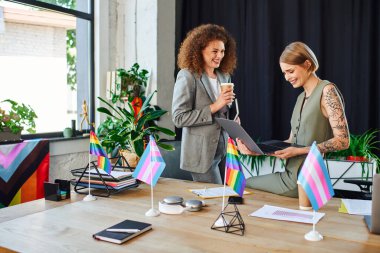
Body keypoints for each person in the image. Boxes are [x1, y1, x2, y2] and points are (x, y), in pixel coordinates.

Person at [237, 41, 350, 197]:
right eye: (284, 73)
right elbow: (291, 142)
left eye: (290, 71)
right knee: (244, 183)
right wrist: (257, 152)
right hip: (290, 176)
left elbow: (343, 141)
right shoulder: (300, 98)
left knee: (244, 184)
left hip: (305, 180)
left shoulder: (327, 91)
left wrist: (299, 151)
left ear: (307, 64)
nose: (286, 77)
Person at [172, 24, 237, 184]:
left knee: (225, 199)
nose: (220, 56)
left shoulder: (224, 76)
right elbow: (179, 118)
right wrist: (216, 105)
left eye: (222, 51)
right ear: (199, 50)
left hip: (224, 151)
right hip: (200, 154)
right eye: (214, 51)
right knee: (214, 201)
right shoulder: (187, 76)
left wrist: (232, 122)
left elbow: (221, 113)